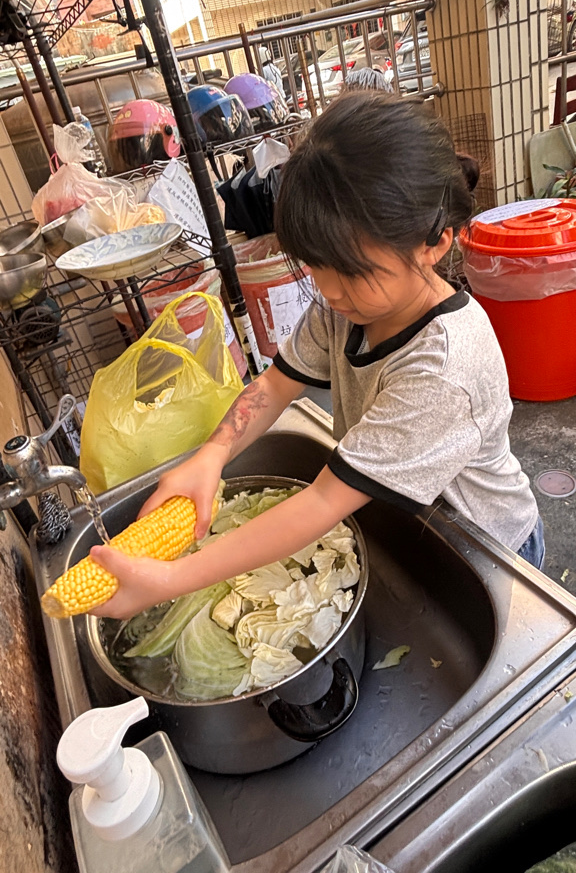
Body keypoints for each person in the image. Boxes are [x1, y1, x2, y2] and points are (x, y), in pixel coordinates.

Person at [91, 94, 543, 620]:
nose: (327, 290)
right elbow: (274, 385)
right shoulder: (348, 305)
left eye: (350, 271)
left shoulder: (443, 370)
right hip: (416, 519)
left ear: (434, 244)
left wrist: (170, 579)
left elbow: (324, 501)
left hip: (487, 548)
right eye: (314, 264)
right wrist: (211, 455)